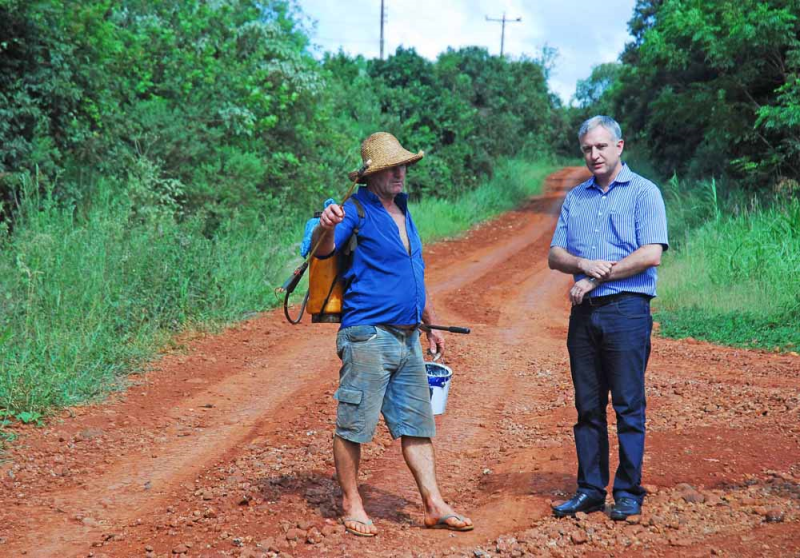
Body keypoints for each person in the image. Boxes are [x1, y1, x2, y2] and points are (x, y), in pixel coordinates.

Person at [314, 132, 473, 537]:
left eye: (403, 165)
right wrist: (327, 226)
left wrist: (431, 321)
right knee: (354, 425)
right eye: (391, 168)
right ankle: (352, 503)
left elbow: (414, 270)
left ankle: (434, 504)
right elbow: (323, 251)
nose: (401, 173)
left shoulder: (402, 208)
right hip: (368, 336)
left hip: (406, 338)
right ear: (372, 175)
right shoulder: (354, 208)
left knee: (418, 424)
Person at [548, 115, 668, 521]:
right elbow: (555, 255)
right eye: (587, 149)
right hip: (584, 317)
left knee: (629, 405)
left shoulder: (644, 193)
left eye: (601, 146)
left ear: (620, 146)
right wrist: (583, 263)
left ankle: (629, 491)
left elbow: (650, 253)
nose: (594, 155)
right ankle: (590, 489)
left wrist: (596, 277)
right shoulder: (576, 197)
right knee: (587, 406)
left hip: (627, 310)